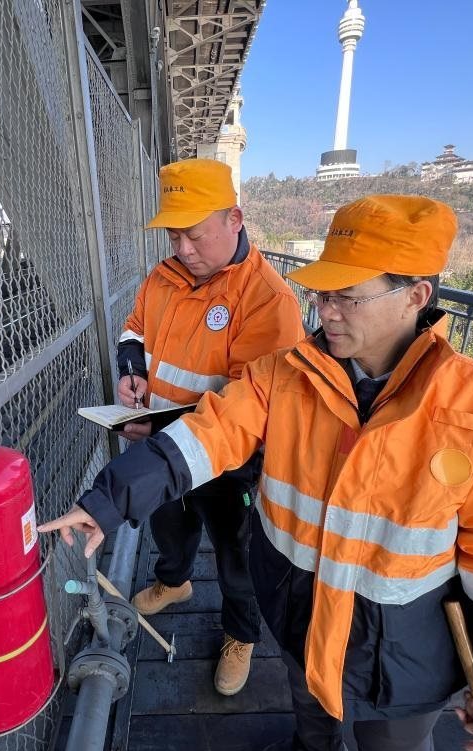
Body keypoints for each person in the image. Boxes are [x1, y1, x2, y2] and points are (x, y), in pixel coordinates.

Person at [42, 195, 473, 751]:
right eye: (322, 294)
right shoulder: (284, 376)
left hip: (402, 656)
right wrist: (109, 500)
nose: (328, 313)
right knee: (311, 721)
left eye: (347, 296)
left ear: (416, 296)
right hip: (298, 614)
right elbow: (210, 432)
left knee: (394, 747)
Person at [114, 158, 305, 696]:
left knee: (236, 552)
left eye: (194, 235)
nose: (183, 249)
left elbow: (251, 404)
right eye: (173, 236)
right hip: (162, 443)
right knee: (168, 525)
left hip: (229, 460)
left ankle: (240, 634)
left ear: (234, 219)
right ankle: (174, 581)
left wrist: (157, 424)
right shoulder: (162, 278)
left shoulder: (267, 299)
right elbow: (134, 331)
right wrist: (131, 374)